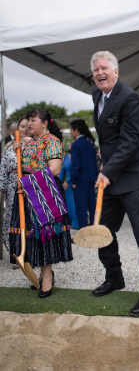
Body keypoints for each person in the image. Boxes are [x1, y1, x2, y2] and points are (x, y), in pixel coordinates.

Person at [91, 50, 139, 316]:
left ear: (116, 71)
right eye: (96, 69)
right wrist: (103, 159)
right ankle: (114, 277)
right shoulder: (97, 95)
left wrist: (108, 170)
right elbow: (108, 137)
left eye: (104, 68)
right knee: (103, 231)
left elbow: (130, 141)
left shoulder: (130, 98)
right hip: (110, 174)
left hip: (132, 176)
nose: (100, 73)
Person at [10, 108, 73, 298]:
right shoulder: (29, 143)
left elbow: (54, 169)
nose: (29, 123)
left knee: (45, 235)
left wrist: (27, 182)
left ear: (45, 123)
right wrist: (16, 151)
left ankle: (47, 278)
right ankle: (43, 273)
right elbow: (23, 168)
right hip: (25, 192)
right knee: (29, 235)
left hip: (45, 193)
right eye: (28, 120)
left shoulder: (52, 141)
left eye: (33, 120)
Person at [0, 115, 30, 260]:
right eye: (22, 126)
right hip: (13, 187)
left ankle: (30, 254)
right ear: (17, 128)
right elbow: (3, 169)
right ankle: (15, 253)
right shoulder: (8, 147)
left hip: (30, 185)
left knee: (30, 219)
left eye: (27, 126)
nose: (24, 129)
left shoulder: (36, 145)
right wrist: (2, 189)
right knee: (13, 219)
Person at [70, 119, 98, 229]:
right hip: (91, 178)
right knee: (92, 206)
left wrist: (74, 180)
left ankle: (84, 234)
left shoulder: (76, 145)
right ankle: (94, 230)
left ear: (76, 130)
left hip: (81, 180)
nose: (70, 133)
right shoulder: (90, 143)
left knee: (81, 208)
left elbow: (76, 164)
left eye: (71, 130)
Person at [59, 141, 79, 230]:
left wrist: (67, 181)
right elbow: (62, 170)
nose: (70, 145)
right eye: (70, 144)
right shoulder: (67, 156)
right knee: (67, 202)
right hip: (67, 184)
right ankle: (68, 222)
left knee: (74, 203)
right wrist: (58, 182)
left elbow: (75, 170)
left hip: (74, 182)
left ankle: (76, 224)